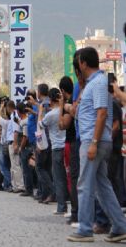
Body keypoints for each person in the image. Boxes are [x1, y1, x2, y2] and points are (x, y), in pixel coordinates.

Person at [67, 47, 126, 243]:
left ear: (83, 63)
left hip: (94, 141)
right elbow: (87, 113)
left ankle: (84, 229)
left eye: (78, 63)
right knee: (102, 186)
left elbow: (102, 113)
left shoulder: (99, 82)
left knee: (84, 185)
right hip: (94, 140)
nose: (78, 66)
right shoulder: (92, 84)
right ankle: (119, 226)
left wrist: (93, 142)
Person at [39, 88, 68, 215]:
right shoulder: (64, 110)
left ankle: (61, 207)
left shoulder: (50, 115)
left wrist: (40, 112)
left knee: (58, 178)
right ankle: (67, 204)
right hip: (66, 146)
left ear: (50, 100)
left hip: (56, 148)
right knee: (67, 177)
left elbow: (41, 125)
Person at [59, 76, 77, 225]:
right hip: (72, 143)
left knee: (71, 178)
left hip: (71, 143)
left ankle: (75, 211)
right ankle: (75, 210)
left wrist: (61, 107)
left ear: (63, 91)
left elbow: (63, 124)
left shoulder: (69, 104)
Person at [17, 102, 34, 197]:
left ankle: (29, 189)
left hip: (26, 148)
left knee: (26, 169)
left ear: (19, 112)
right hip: (27, 147)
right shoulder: (24, 120)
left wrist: (21, 148)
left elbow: (25, 136)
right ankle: (29, 188)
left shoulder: (24, 122)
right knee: (27, 169)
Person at [7, 101, 24, 193]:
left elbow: (16, 131)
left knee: (16, 165)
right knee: (13, 166)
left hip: (13, 142)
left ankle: (20, 185)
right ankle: (15, 186)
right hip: (12, 142)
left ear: (9, 107)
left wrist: (15, 144)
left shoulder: (14, 116)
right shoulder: (13, 116)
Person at [0, 101, 12, 191]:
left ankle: (10, 182)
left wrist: (1, 108)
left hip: (4, 144)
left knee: (2, 166)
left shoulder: (6, 123)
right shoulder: (12, 121)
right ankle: (6, 185)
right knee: (7, 165)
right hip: (10, 144)